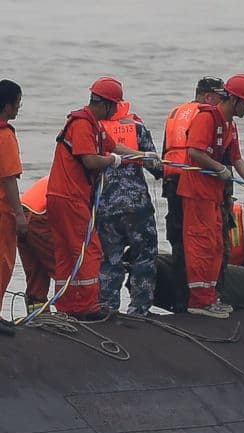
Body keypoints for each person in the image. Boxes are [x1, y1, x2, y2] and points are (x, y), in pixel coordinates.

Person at [46, 77, 157, 321]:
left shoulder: (94, 125)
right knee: (90, 250)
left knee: (67, 253)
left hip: (63, 197)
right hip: (71, 197)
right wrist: (112, 161)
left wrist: (139, 155)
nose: (117, 110)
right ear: (106, 104)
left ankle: (67, 306)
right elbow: (90, 160)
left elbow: (114, 146)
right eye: (114, 105)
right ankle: (88, 307)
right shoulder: (83, 125)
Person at [178, 73, 244, 319]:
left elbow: (236, 159)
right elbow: (195, 151)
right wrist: (218, 168)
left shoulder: (229, 124)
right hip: (197, 193)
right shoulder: (207, 118)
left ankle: (208, 297)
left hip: (213, 195)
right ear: (235, 100)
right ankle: (199, 300)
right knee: (201, 245)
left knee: (216, 245)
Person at [161, 77, 225, 312]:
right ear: (209, 97)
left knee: (180, 243)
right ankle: (204, 298)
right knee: (205, 242)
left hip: (172, 181)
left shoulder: (175, 113)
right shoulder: (206, 115)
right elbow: (208, 151)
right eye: (221, 96)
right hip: (195, 181)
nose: (223, 101)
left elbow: (165, 150)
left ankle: (181, 301)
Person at [97, 100, 161, 316]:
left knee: (109, 259)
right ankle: (139, 309)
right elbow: (155, 166)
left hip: (105, 207)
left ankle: (107, 307)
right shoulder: (137, 128)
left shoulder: (94, 129)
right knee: (144, 256)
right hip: (137, 206)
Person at [0, 79, 24, 334]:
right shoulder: (4, 136)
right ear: (7, 106)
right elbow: (8, 178)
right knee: (3, 261)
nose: (19, 108)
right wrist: (19, 214)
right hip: (2, 211)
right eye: (18, 103)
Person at [17, 177, 55, 315]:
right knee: (63, 268)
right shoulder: (77, 179)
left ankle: (37, 315)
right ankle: (76, 312)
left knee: (37, 273)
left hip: (22, 216)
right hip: (39, 218)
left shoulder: (55, 177)